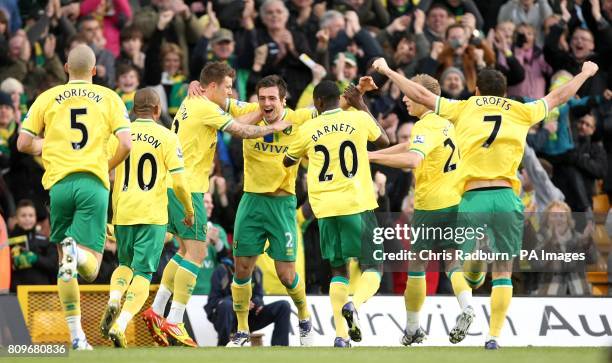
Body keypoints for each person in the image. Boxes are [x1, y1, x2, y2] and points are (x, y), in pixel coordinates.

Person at [372, 57, 599, 349]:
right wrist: (585, 74)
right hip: (506, 196)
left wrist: (389, 70)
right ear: (504, 93)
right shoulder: (521, 110)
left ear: (477, 90)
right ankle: (493, 338)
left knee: (461, 268)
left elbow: (422, 95)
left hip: (472, 197)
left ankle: (473, 270)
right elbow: (558, 97)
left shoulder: (464, 107)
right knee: (503, 270)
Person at [142, 61, 289, 348]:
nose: (230, 93)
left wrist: (262, 108)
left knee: (182, 252)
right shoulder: (206, 106)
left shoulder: (192, 99)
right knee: (196, 255)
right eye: (227, 87)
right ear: (211, 87)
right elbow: (241, 131)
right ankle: (174, 319)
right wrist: (278, 124)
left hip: (171, 186)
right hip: (189, 188)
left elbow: (237, 115)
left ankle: (157, 310)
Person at [16, 44, 132, 350]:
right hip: (92, 183)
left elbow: (23, 143)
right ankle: (76, 252)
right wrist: (108, 167)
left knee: (63, 265)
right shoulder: (110, 98)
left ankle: (77, 337)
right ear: (94, 71)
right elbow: (126, 143)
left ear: (66, 67)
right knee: (90, 266)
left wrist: (50, 145)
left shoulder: (47, 97)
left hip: (59, 187)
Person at [368, 74, 475, 345]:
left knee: (416, 264)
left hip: (431, 205)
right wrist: (373, 154)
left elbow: (413, 158)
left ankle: (413, 327)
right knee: (452, 260)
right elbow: (410, 145)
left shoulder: (425, 126)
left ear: (423, 97)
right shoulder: (446, 120)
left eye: (409, 94)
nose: (404, 98)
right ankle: (467, 307)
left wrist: (374, 157)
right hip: (455, 200)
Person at [283, 81, 389, 347]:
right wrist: (361, 104)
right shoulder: (357, 119)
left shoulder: (308, 128)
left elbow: (287, 160)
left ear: (318, 102)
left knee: (338, 270)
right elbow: (384, 140)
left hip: (325, 209)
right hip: (358, 203)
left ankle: (341, 336)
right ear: (339, 99)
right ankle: (355, 303)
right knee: (374, 264)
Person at [223, 75, 316, 347]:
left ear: (283, 100)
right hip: (252, 201)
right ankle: (241, 330)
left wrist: (359, 90)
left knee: (287, 275)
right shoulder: (248, 113)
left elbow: (334, 104)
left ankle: (305, 317)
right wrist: (198, 87)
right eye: (262, 98)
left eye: (272, 98)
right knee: (242, 269)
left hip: (282, 203)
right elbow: (217, 99)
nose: (266, 103)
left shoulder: (299, 118)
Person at [99, 88, 194, 348]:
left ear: (133, 108)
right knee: (143, 272)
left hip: (123, 212)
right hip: (152, 215)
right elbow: (180, 183)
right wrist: (188, 210)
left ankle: (114, 298)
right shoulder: (166, 136)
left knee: (124, 264)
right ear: (157, 109)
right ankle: (121, 323)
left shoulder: (120, 135)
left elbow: (104, 173)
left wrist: (106, 215)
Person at [205, 260, 291, 346]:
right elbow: (213, 302)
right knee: (226, 306)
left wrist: (257, 304)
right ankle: (223, 346)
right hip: (228, 318)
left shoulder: (257, 271)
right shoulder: (221, 271)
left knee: (284, 306)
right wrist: (239, 303)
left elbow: (259, 296)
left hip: (249, 318)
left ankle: (280, 347)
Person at [9, 199, 57, 292]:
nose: (27, 218)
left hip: (41, 294)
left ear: (35, 218)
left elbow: (54, 266)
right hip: (15, 295)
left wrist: (36, 259)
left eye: (31, 215)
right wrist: (12, 261)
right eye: (23, 215)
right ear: (16, 219)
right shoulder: (8, 242)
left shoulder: (46, 241)